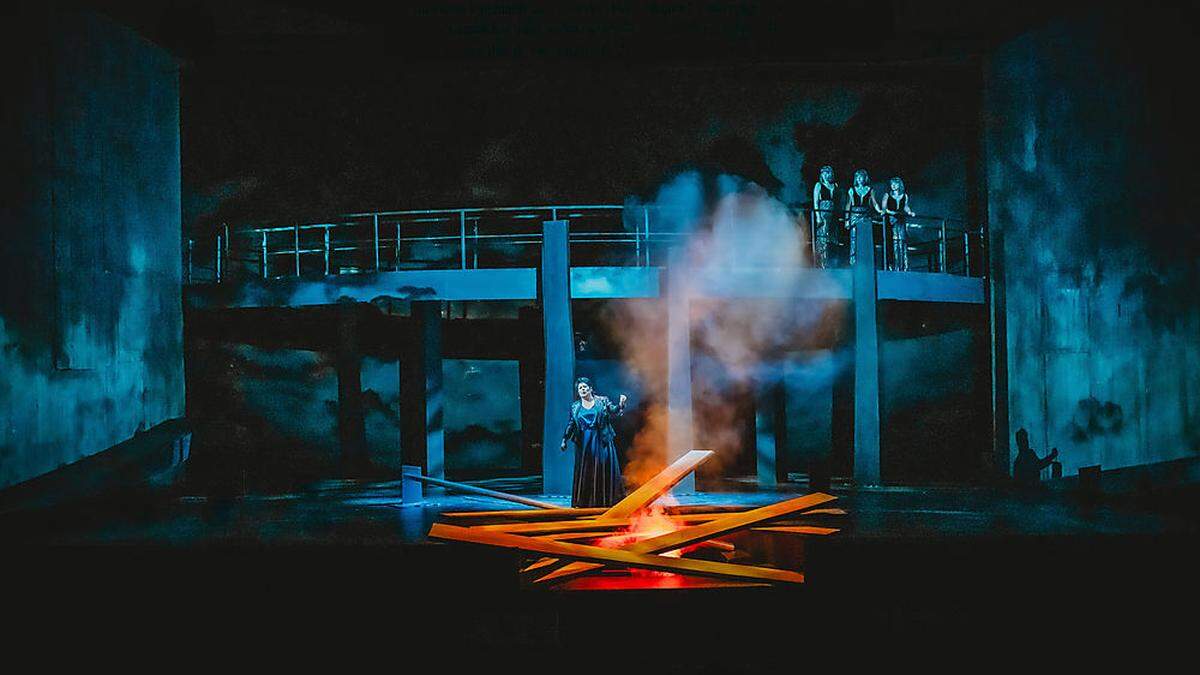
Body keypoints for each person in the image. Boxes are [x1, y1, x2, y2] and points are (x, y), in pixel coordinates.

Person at [560, 377, 628, 507]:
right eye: (580, 388)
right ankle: (585, 502)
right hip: (584, 443)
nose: (582, 390)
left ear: (590, 388)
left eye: (585, 387)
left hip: (601, 440)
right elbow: (571, 424)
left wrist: (621, 405)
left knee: (602, 468)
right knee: (587, 471)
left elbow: (613, 411)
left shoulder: (602, 401)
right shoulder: (575, 406)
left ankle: (604, 501)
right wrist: (565, 440)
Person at [843, 169, 881, 266]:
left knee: (866, 238)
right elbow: (848, 205)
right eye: (858, 177)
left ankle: (865, 261)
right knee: (854, 238)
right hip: (855, 215)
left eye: (862, 177)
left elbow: (874, 202)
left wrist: (880, 211)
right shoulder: (852, 190)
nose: (860, 179)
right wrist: (847, 220)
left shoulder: (870, 190)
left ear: (865, 178)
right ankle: (853, 262)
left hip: (866, 215)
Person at [881, 176, 916, 271]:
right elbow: (884, 208)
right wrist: (889, 212)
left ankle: (904, 265)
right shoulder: (887, 195)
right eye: (892, 184)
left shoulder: (904, 195)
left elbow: (906, 206)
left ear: (899, 185)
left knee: (903, 241)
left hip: (901, 220)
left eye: (895, 184)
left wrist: (910, 212)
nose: (893, 186)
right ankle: (893, 264)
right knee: (893, 242)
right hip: (891, 221)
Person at [810, 165, 839, 268]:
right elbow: (816, 201)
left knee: (833, 239)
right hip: (823, 213)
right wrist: (818, 216)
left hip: (833, 214)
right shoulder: (819, 185)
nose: (826, 175)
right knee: (823, 238)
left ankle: (832, 263)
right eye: (824, 173)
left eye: (828, 173)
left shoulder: (835, 185)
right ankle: (822, 263)